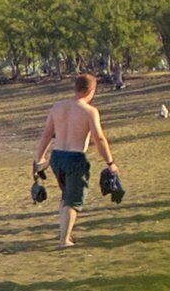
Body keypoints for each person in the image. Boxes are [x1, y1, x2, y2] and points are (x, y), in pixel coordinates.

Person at [32, 73, 119, 246]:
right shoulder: (89, 111)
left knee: (66, 196)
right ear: (91, 90)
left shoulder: (58, 107)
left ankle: (65, 234)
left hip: (57, 157)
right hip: (75, 157)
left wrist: (39, 158)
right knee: (72, 200)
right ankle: (64, 239)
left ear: (75, 88)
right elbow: (99, 138)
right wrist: (110, 162)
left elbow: (47, 135)